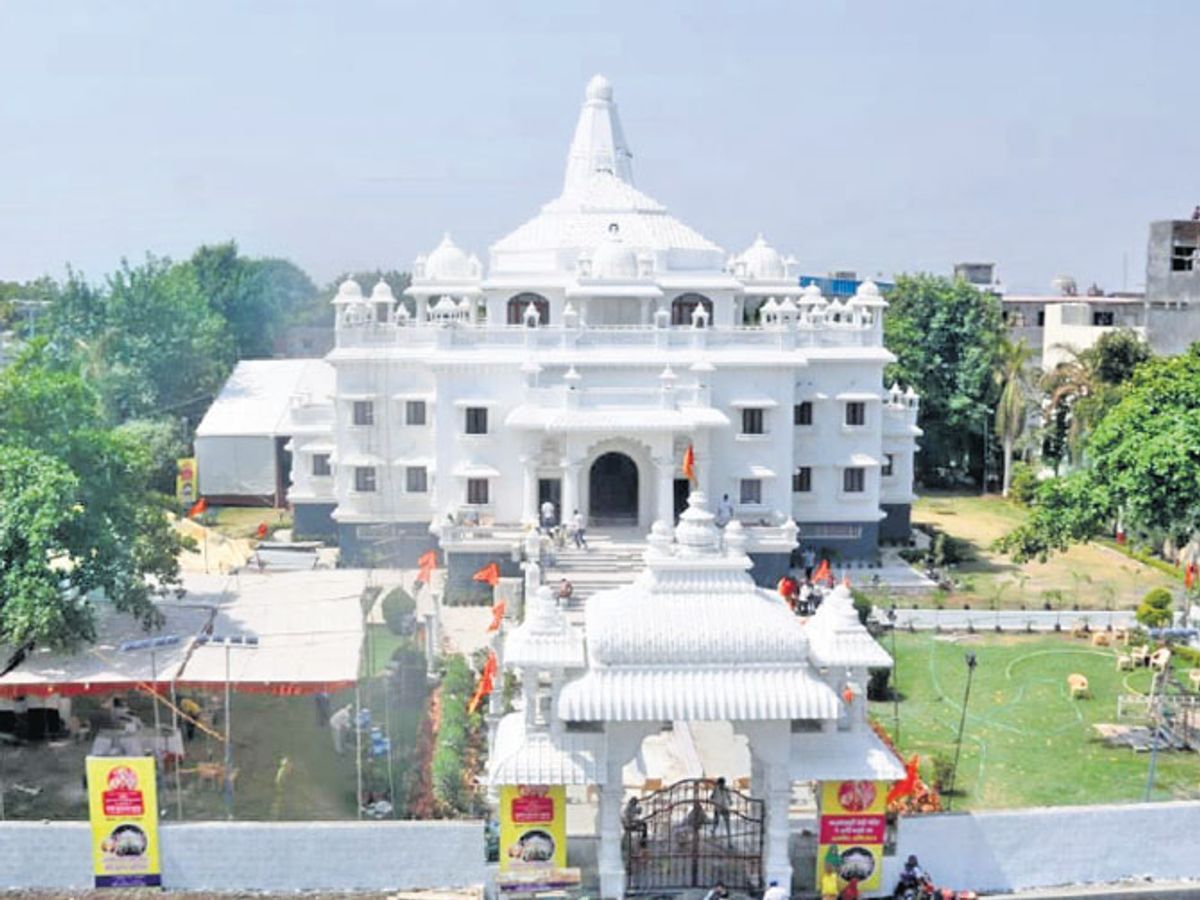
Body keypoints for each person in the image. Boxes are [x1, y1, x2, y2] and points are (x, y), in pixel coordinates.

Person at [709, 776, 731, 841]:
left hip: (725, 807)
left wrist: (730, 802)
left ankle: (729, 835)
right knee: (716, 821)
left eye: (722, 784)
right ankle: (713, 831)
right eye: (719, 784)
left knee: (727, 822)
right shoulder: (716, 789)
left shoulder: (726, 789)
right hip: (718, 807)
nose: (721, 785)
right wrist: (713, 802)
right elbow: (711, 797)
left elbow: (729, 797)